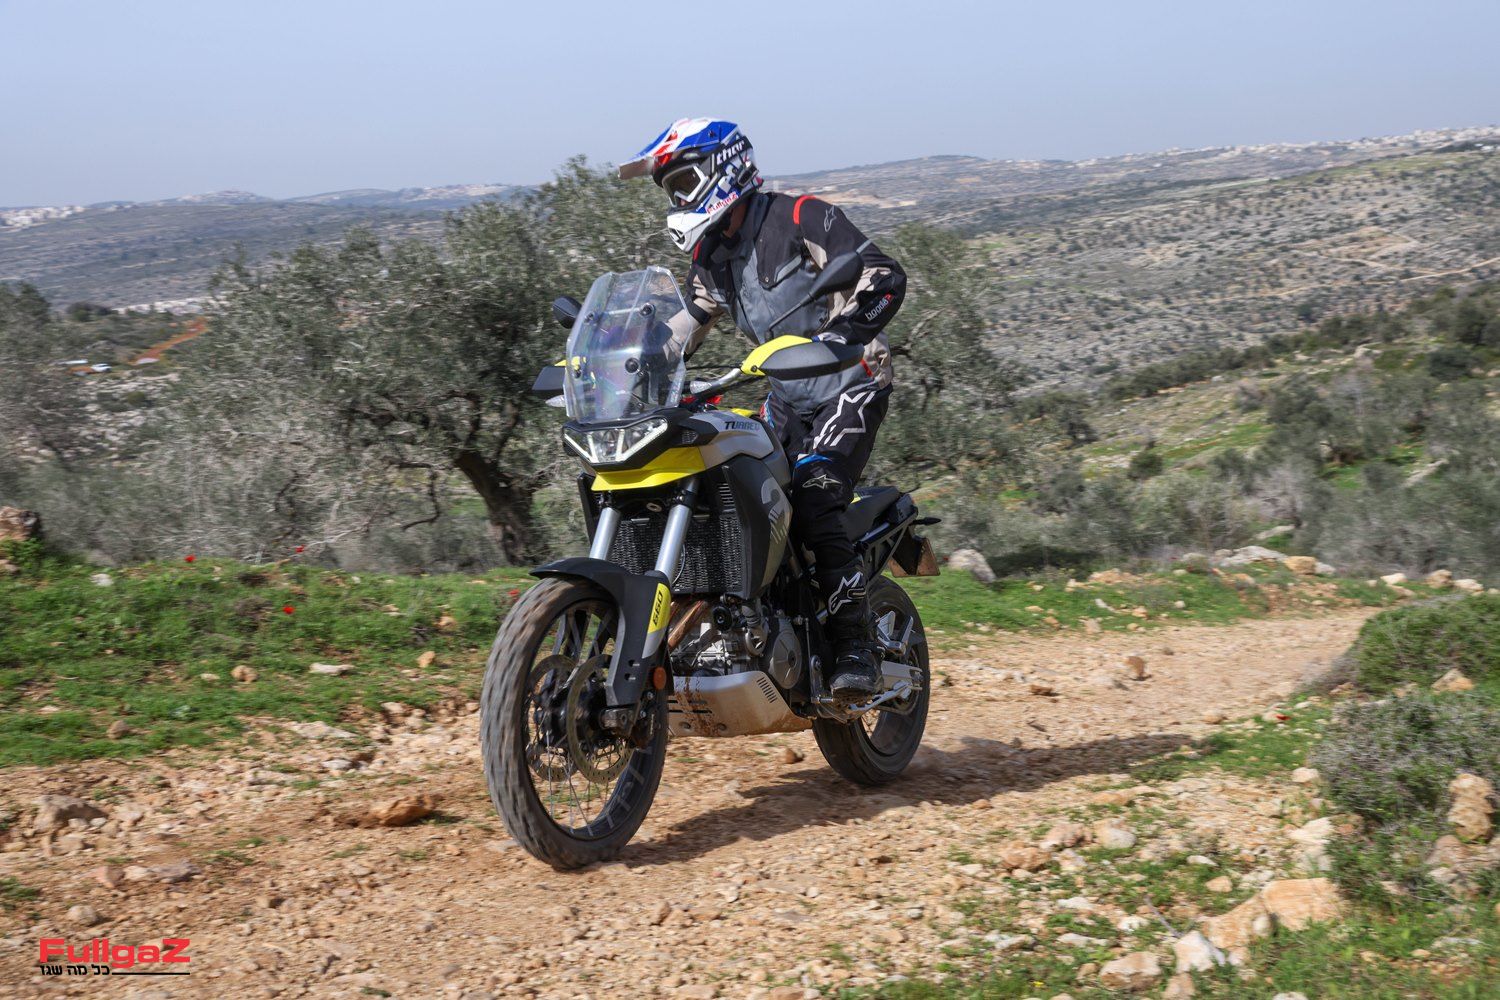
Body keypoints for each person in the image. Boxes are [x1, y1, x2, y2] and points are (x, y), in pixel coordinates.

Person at [619, 118, 907, 702]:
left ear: (723, 169)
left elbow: (883, 275)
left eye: (683, 183)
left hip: (851, 382)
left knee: (815, 492)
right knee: (734, 485)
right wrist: (627, 362)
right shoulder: (712, 254)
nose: (678, 200)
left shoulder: (800, 216)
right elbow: (687, 325)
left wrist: (844, 332)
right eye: (671, 189)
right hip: (786, 395)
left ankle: (855, 647)